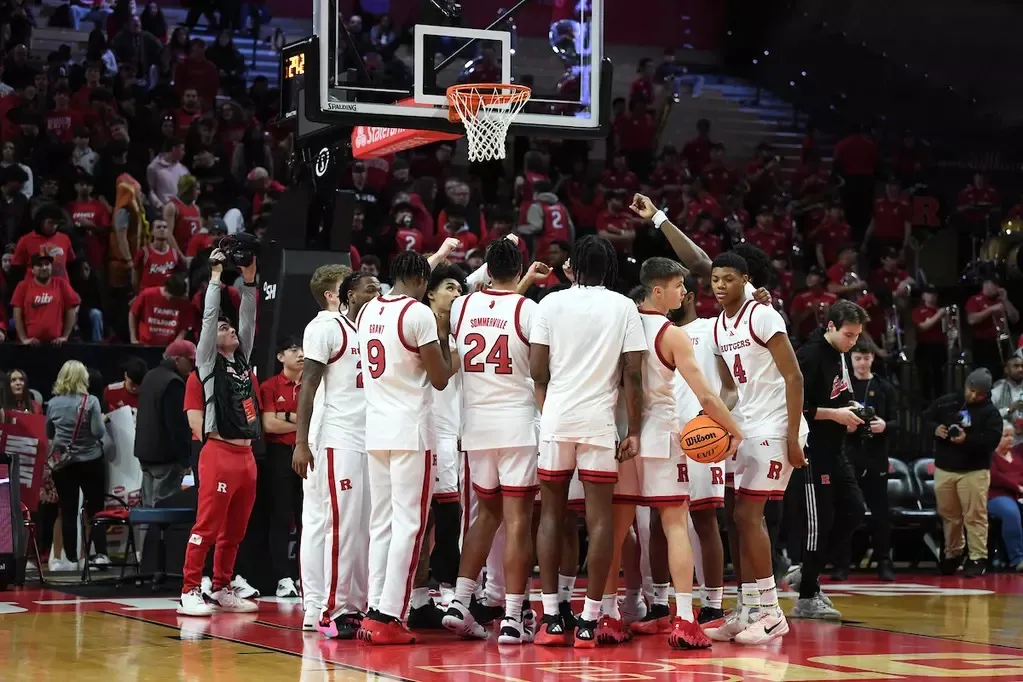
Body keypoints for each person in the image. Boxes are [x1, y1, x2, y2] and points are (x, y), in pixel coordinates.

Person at [612, 258, 743, 650]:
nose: (684, 293)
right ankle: (686, 618)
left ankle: (602, 614)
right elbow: (707, 396)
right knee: (674, 525)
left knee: (614, 530)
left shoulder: (618, 325)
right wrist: (734, 430)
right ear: (658, 290)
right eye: (678, 286)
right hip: (660, 436)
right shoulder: (671, 334)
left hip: (621, 439)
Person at [529, 235, 645, 648]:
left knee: (551, 517)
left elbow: (537, 371)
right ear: (609, 268)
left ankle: (551, 617)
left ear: (573, 267)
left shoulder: (550, 303)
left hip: (557, 418)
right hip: (598, 423)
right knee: (599, 522)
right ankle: (590, 620)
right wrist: (634, 430)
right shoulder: (624, 306)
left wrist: (550, 408)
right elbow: (634, 374)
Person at [704, 252, 808, 645]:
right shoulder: (717, 327)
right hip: (746, 426)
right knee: (737, 517)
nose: (720, 285)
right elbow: (731, 389)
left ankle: (771, 612)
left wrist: (793, 436)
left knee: (749, 515)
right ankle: (748, 608)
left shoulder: (763, 316)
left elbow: (794, 377)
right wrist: (713, 420)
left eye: (728, 279)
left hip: (776, 426)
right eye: (715, 279)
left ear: (745, 280)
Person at [441, 240, 542, 645]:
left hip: (476, 425)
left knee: (485, 515)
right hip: (516, 423)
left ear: (487, 269)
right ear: (518, 271)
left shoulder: (462, 307)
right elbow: (541, 369)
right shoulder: (528, 309)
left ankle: (459, 601)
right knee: (517, 521)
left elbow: (476, 296)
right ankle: (514, 617)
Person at [356, 251, 456, 645]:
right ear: (419, 279)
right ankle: (390, 615)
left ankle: (373, 608)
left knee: (381, 523)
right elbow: (441, 378)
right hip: (411, 431)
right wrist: (451, 346)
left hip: (376, 428)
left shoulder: (367, 311)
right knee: (410, 525)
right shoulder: (417, 314)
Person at [178, 247, 260, 616]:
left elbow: (249, 317)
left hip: (246, 456)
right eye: (223, 329)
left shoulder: (242, 359)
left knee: (235, 531)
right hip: (219, 453)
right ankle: (189, 589)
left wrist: (250, 279)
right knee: (208, 526)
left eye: (231, 327)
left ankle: (223, 586)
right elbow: (210, 317)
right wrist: (215, 278)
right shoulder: (207, 363)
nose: (230, 330)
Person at [786, 299, 867, 619]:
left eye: (857, 336)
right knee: (820, 523)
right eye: (849, 335)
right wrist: (835, 414)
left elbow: (839, 395)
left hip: (836, 448)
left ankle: (808, 570)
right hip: (812, 450)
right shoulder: (810, 355)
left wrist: (853, 411)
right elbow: (796, 406)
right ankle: (807, 596)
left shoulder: (839, 353)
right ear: (831, 326)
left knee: (855, 510)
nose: (853, 342)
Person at [291, 264, 358, 632]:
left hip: (357, 437)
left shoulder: (358, 324)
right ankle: (318, 605)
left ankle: (322, 603)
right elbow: (308, 386)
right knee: (324, 523)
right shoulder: (323, 327)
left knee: (345, 525)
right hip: (328, 438)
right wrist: (301, 442)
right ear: (333, 295)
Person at [415, 264, 467, 627]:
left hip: (451, 433)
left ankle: (445, 589)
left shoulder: (461, 330)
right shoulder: (418, 326)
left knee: (448, 519)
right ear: (430, 292)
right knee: (423, 520)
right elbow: (442, 376)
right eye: (450, 287)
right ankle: (421, 596)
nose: (457, 294)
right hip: (424, 431)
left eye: (459, 289)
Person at [923, 368, 1003, 577]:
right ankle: (953, 553)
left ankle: (978, 557)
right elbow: (925, 419)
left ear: (987, 393)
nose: (974, 396)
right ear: (966, 385)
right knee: (949, 515)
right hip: (944, 468)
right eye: (971, 390)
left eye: (980, 394)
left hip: (974, 471)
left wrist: (967, 440)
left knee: (975, 516)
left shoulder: (991, 413)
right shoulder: (947, 402)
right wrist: (935, 429)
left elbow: (991, 441)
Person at [839, 342, 899, 582]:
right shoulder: (843, 388)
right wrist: (846, 426)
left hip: (876, 457)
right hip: (849, 457)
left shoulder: (884, 387)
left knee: (880, 512)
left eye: (866, 358)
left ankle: (884, 561)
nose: (862, 363)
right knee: (846, 510)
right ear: (851, 360)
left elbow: (898, 422)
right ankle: (842, 563)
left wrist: (884, 426)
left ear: (872, 358)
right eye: (858, 359)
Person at [46, 360, 109, 570]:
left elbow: (49, 433)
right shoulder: (91, 402)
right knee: (96, 509)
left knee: (68, 510)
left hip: (64, 465)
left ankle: (71, 559)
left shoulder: (52, 403)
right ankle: (100, 554)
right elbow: (98, 432)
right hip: (91, 461)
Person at [259, 336, 304, 599]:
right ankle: (282, 577)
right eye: (293, 349)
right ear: (280, 357)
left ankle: (303, 576)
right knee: (280, 516)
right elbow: (268, 425)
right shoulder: (269, 386)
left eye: (302, 349)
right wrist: (300, 420)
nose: (300, 354)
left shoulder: (314, 383)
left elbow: (317, 420)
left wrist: (284, 415)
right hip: (279, 455)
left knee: (307, 517)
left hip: (308, 453)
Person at [134, 340, 195, 507]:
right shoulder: (173, 382)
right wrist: (185, 460)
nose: (193, 365)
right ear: (177, 359)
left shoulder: (150, 376)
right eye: (190, 360)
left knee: (148, 507)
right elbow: (176, 426)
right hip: (164, 457)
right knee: (164, 508)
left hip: (145, 453)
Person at [989, 424, 1023, 572]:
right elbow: (995, 477)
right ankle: (1018, 558)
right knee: (1011, 512)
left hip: (1017, 495)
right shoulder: (989, 456)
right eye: (1005, 436)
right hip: (996, 496)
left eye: (1012, 436)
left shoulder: (1017, 455)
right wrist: (1017, 487)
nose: (1010, 439)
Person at [991, 356, 1023, 446]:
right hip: (1007, 446)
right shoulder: (996, 392)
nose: (1020, 369)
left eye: (1022, 366)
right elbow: (990, 418)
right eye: (1016, 366)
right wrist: (1009, 409)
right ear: (1006, 370)